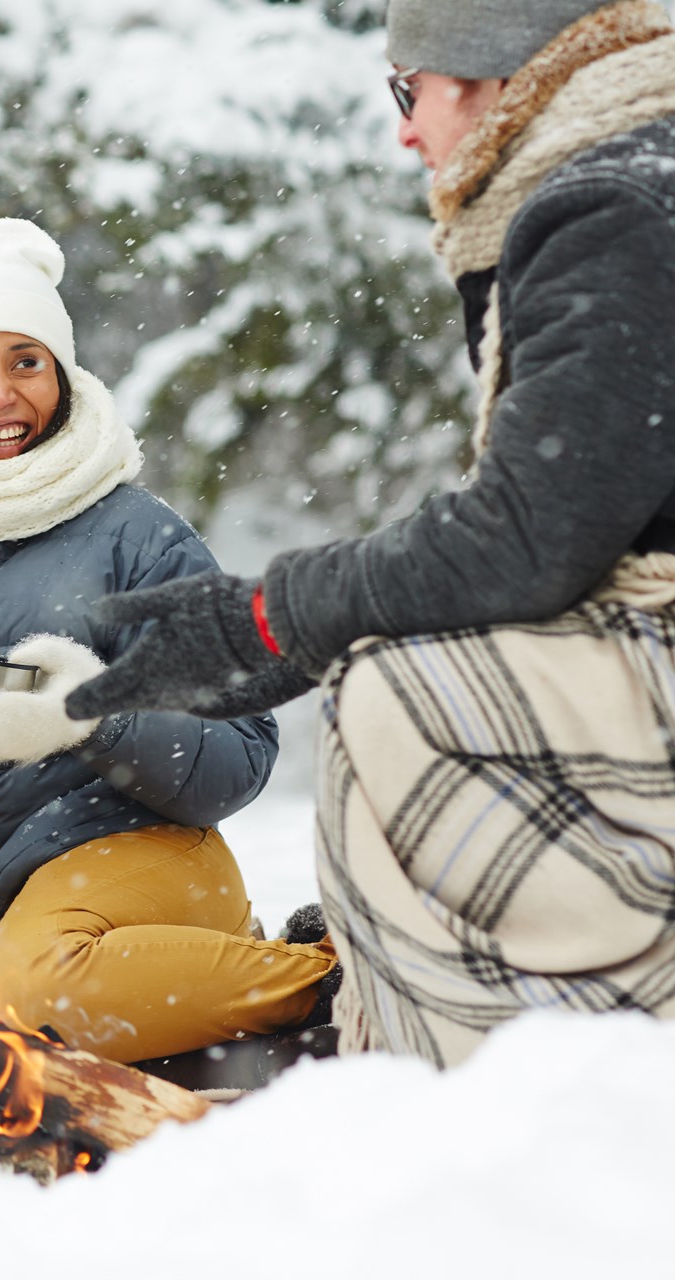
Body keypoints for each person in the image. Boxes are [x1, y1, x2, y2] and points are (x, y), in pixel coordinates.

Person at [66, 0, 675, 1066]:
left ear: (498, 75)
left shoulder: (618, 208)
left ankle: (479, 1058)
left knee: (394, 688)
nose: (402, 129)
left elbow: (531, 537)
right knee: (400, 660)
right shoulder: (629, 172)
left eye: (412, 88)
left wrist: (267, 620)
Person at [0, 218, 337, 1065]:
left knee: (33, 990)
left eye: (25, 363)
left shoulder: (134, 534)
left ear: (63, 376)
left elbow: (243, 750)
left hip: (139, 860)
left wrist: (97, 723)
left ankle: (328, 975)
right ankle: (194, 992)